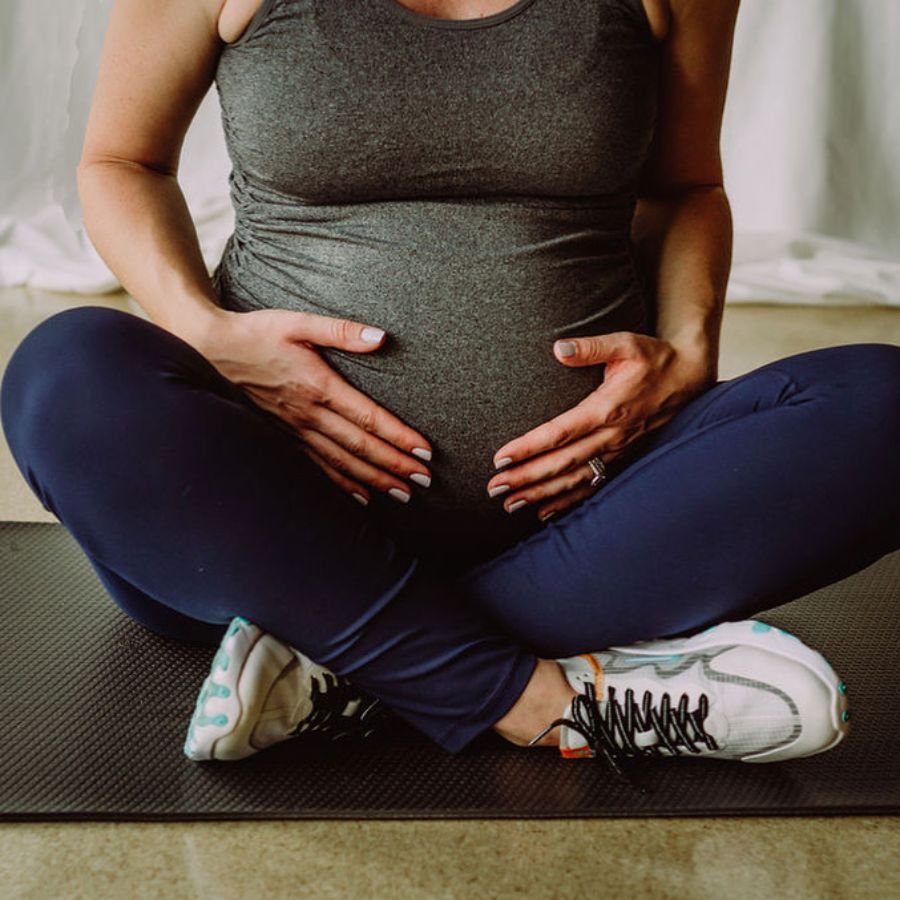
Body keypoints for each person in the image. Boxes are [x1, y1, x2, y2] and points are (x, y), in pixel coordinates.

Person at [2, 0, 898, 780]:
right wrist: (206, 331)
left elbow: (688, 186)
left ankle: (344, 663)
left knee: (882, 405)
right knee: (63, 375)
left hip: (596, 519)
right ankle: (538, 697)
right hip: (265, 526)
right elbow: (122, 162)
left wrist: (690, 348)